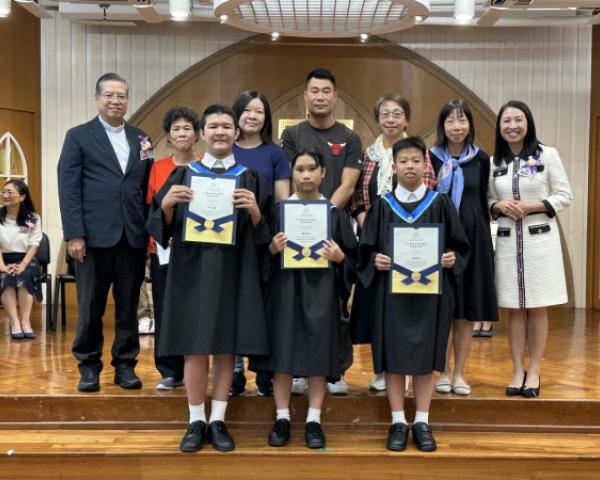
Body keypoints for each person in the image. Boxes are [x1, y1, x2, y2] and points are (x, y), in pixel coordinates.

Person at [147, 104, 271, 453]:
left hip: (234, 271)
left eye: (226, 126)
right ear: (202, 133)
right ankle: (195, 419)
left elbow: (266, 235)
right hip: (192, 271)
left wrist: (255, 211)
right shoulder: (183, 175)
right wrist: (167, 205)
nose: (220, 132)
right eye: (213, 126)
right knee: (195, 346)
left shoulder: (249, 179)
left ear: (236, 133)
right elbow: (160, 228)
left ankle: (218, 419)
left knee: (226, 347)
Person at [357, 136, 469, 452]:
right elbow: (365, 251)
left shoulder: (441, 204)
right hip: (391, 296)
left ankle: (421, 420)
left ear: (425, 165)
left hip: (430, 295)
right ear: (393, 167)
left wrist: (453, 258)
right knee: (393, 357)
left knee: (424, 357)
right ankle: (397, 421)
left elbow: (461, 247)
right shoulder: (382, 206)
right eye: (403, 161)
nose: (410, 166)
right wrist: (375, 260)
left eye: (416, 161)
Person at [250, 148, 357, 449]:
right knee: (282, 353)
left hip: (322, 292)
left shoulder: (335, 214)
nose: (306, 175)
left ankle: (313, 419)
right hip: (284, 292)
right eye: (299, 169)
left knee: (318, 355)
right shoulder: (278, 212)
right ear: (292, 174)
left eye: (312, 168)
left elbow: (355, 261)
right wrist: (271, 250)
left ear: (323, 173)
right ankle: (282, 417)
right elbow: (258, 258)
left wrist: (340, 258)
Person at [57, 72, 153, 392]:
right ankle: (88, 365)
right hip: (92, 239)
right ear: (97, 98)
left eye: (121, 95)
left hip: (132, 237)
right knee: (90, 307)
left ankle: (125, 365)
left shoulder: (141, 138)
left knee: (128, 307)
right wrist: (74, 234)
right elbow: (68, 189)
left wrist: (148, 235)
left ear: (127, 100)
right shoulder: (78, 136)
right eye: (109, 95)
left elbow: (146, 188)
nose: (116, 101)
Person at [281, 67, 362, 395]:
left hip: (334, 225)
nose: (320, 96)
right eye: (314, 91)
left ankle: (336, 369)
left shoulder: (350, 138)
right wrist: (303, 214)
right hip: (296, 225)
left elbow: (349, 184)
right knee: (298, 302)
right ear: (305, 96)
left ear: (335, 96)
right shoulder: (292, 134)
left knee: (336, 301)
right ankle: (299, 368)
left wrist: (323, 214)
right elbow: (290, 178)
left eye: (326, 91)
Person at [350, 94, 436, 392]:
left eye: (397, 114)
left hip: (413, 240)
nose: (390, 119)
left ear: (406, 119)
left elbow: (429, 191)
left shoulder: (418, 153)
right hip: (376, 241)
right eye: (385, 114)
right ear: (377, 119)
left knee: (408, 308)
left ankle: (409, 367)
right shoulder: (369, 155)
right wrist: (366, 221)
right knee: (378, 308)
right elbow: (358, 194)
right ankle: (382, 369)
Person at [488, 100, 572, 398]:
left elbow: (565, 195)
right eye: (506, 121)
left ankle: (534, 369)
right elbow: (486, 200)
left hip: (540, 242)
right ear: (500, 127)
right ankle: (516, 369)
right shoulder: (494, 162)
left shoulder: (547, 155)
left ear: (528, 123)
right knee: (514, 309)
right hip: (508, 242)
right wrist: (498, 205)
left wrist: (532, 206)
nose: (512, 126)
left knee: (537, 307)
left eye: (518, 119)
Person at [429, 100, 499, 396]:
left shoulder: (481, 159)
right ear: (442, 126)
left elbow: (486, 199)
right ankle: (442, 372)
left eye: (462, 121)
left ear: (470, 125)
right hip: (441, 241)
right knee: (444, 308)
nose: (456, 127)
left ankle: (459, 373)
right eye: (450, 121)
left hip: (474, 240)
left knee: (466, 311)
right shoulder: (430, 158)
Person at [230, 91, 292, 397]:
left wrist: (274, 240)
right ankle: (235, 369)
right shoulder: (226, 148)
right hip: (228, 239)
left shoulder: (274, 154)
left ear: (266, 118)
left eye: (259, 111)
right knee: (233, 304)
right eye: (247, 110)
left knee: (265, 304)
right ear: (236, 114)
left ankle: (265, 370)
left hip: (264, 237)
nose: (252, 116)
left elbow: (282, 200)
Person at [146, 106, 201, 390]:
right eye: (176, 129)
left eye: (187, 128)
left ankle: (196, 367)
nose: (182, 133)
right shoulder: (157, 168)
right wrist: (151, 246)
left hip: (198, 252)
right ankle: (169, 371)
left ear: (197, 134)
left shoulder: (205, 166)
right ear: (168, 136)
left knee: (195, 310)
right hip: (164, 251)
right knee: (165, 308)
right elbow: (150, 209)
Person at [0, 180, 42, 340]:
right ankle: (14, 322)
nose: (5, 195)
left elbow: (34, 244)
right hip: (3, 259)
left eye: (10, 192)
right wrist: (2, 266)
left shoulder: (31, 218)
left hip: (26, 258)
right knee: (6, 276)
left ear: (22, 197)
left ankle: (25, 321)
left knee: (25, 275)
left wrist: (23, 264)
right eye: (3, 191)